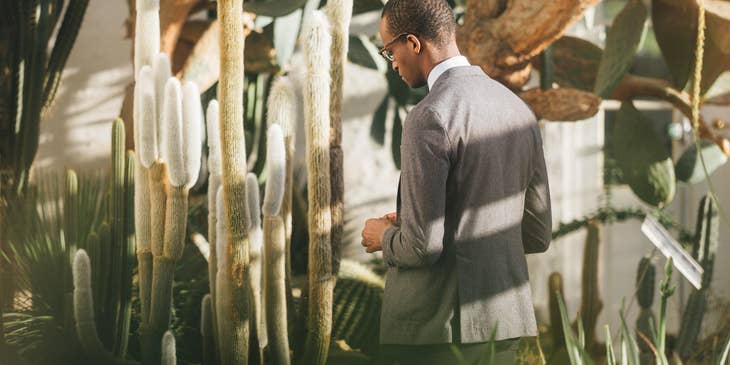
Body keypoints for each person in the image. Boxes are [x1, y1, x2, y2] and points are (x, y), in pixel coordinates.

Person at [360, 0, 553, 364]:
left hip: (434, 333)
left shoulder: (430, 115)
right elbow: (536, 234)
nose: (394, 63)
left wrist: (381, 237)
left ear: (413, 43)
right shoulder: (519, 111)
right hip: (503, 326)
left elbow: (422, 248)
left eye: (391, 51)